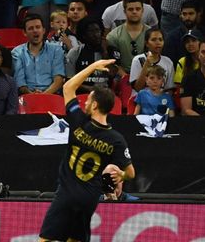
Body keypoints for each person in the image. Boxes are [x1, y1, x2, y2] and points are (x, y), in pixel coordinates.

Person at [38, 58, 134, 242]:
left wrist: (92, 66)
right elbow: (131, 173)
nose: (85, 104)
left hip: (66, 195)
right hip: (88, 199)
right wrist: (120, 176)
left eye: (88, 101)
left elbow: (67, 88)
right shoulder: (116, 140)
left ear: (96, 105)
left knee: (46, 239)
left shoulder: (79, 122)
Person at [12, 13, 65, 96]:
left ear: (43, 30)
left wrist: (43, 96)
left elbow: (58, 80)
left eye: (38, 27)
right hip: (26, 96)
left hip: (51, 95)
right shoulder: (17, 52)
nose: (35, 31)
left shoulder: (56, 49)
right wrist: (33, 95)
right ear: (24, 33)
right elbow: (20, 82)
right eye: (30, 28)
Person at [106, 0, 148, 72]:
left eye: (138, 9)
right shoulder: (113, 36)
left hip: (148, 75)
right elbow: (115, 63)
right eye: (130, 9)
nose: (134, 12)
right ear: (124, 11)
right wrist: (125, 78)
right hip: (122, 76)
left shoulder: (152, 33)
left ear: (142, 11)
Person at [129, 27, 174, 92]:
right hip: (140, 100)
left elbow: (169, 89)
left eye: (160, 40)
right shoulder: (138, 60)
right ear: (146, 43)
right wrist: (146, 64)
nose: (158, 42)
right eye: (153, 40)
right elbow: (137, 88)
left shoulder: (168, 62)